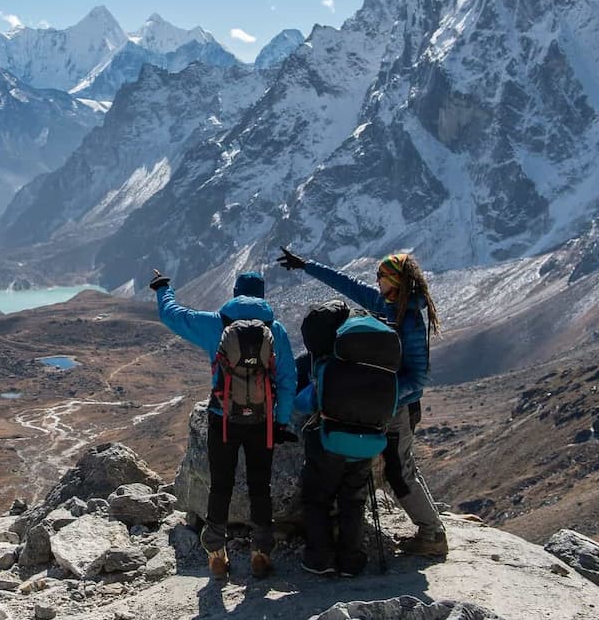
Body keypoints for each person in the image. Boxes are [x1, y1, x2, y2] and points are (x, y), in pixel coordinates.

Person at [276, 247, 448, 557]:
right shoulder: (389, 303)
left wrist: (384, 395)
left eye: (381, 276)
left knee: (400, 469)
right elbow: (348, 285)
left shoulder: (408, 319)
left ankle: (432, 533)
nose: (376, 280)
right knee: (392, 468)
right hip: (382, 401)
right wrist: (307, 266)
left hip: (397, 407)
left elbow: (418, 377)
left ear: (394, 280)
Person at [150, 269, 297, 579]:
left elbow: (173, 315)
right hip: (262, 422)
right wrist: (281, 422)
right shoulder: (276, 330)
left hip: (222, 419)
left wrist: (163, 287)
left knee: (220, 485)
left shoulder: (215, 323)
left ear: (234, 293)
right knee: (260, 486)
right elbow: (287, 380)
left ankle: (217, 554)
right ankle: (261, 553)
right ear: (262, 295)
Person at [293, 300, 372, 577]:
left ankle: (320, 559)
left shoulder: (313, 360)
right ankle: (352, 561)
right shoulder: (368, 356)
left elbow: (300, 401)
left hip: (327, 438)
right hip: (367, 437)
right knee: (353, 499)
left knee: (317, 497)